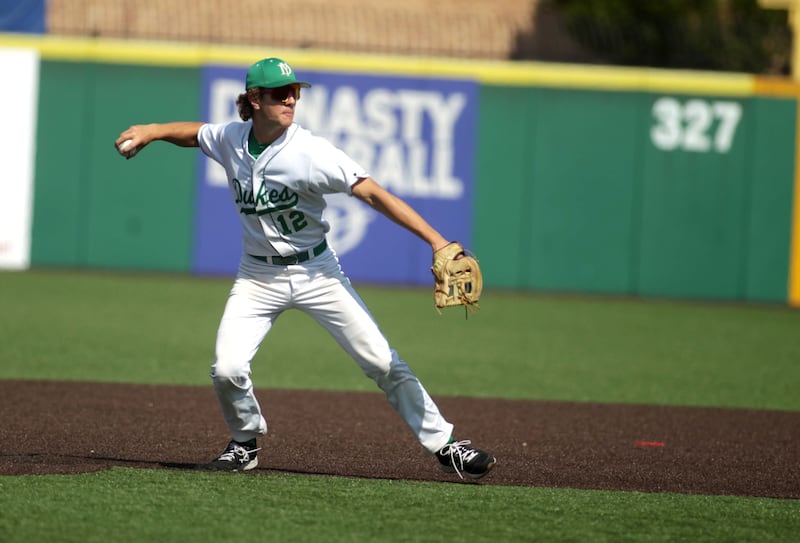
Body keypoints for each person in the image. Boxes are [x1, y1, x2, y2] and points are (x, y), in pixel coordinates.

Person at [114, 57, 496, 480]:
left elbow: (372, 193)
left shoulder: (311, 153)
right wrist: (152, 132)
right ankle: (245, 444)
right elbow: (196, 134)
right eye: (281, 93)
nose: (291, 99)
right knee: (227, 369)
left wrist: (437, 241)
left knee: (383, 362)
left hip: (318, 273)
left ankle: (446, 445)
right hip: (257, 276)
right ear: (254, 99)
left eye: (295, 91)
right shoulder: (232, 139)